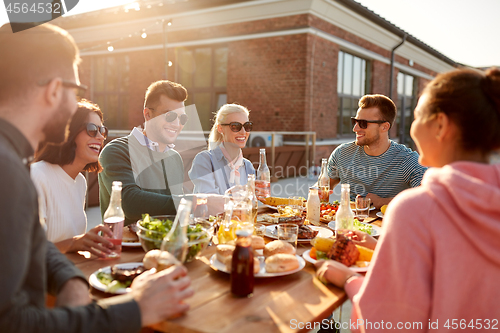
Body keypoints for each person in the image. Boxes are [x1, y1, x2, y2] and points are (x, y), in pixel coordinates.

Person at [0, 23, 193, 332]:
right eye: (76, 90)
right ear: (53, 90)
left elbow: (36, 244)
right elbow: (12, 324)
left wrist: (71, 281)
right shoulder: (7, 172)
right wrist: (137, 310)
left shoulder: (13, 160)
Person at [316, 67, 500, 331]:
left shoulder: (416, 208)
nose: (412, 129)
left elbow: (390, 322)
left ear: (440, 125)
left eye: (416, 117)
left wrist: (349, 282)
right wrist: (382, 249)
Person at [31, 99, 116, 257]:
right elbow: (29, 251)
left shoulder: (80, 183)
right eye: (92, 129)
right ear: (68, 133)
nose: (100, 137)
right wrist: (74, 243)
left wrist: (89, 242)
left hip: (71, 271)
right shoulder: (37, 176)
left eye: (102, 130)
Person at [99, 80, 188, 226]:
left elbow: (175, 211)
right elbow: (130, 203)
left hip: (165, 246)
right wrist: (196, 202)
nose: (177, 124)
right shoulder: (116, 151)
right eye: (170, 116)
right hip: (123, 247)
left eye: (182, 118)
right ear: (148, 114)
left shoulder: (175, 158)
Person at [326, 94, 427, 208]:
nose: (355, 128)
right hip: (349, 223)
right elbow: (323, 187)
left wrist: (383, 202)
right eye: (355, 121)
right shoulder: (342, 154)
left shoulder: (407, 160)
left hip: (388, 225)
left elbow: (428, 198)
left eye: (363, 123)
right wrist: (318, 193)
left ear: (384, 127)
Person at [189, 104, 255, 195]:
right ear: (220, 128)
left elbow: (250, 206)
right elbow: (209, 202)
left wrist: (260, 197)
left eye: (247, 126)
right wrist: (237, 195)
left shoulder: (248, 166)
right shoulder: (204, 160)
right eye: (235, 126)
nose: (243, 132)